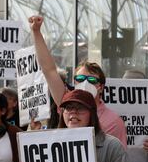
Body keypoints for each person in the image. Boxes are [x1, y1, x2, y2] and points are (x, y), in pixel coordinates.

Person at [29, 15, 127, 147]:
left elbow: (117, 158)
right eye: (80, 79)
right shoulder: (66, 102)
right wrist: (36, 32)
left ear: (101, 87)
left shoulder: (113, 121)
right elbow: (49, 70)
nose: (85, 83)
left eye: (91, 79)